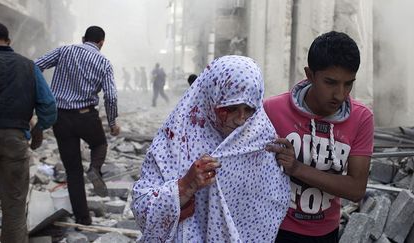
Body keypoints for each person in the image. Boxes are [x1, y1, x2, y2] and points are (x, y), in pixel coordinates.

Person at [132, 55, 290, 242]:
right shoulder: (176, 141)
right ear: (210, 99)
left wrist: (289, 166)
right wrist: (185, 186)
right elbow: (142, 209)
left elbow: (272, 205)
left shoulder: (261, 144)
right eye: (230, 108)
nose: (241, 119)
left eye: (249, 110)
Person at [264, 31, 374, 243]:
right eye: (330, 82)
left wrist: (296, 168)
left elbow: (356, 189)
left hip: (325, 234)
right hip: (274, 228)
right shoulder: (273, 109)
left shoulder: (361, 118)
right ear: (310, 74)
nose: (340, 94)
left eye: (348, 83)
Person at [35, 26, 120, 226]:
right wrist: (113, 121)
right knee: (99, 144)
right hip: (86, 117)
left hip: (61, 118)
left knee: (73, 170)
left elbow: (36, 65)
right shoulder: (104, 62)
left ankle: (83, 218)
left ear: (83, 39)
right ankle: (95, 168)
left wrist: (42, 97)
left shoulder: (64, 50)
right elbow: (111, 95)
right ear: (101, 43)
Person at [0, 21, 57, 243]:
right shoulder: (29, 66)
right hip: (16, 139)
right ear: (9, 41)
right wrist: (39, 128)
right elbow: (49, 105)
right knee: (14, 206)